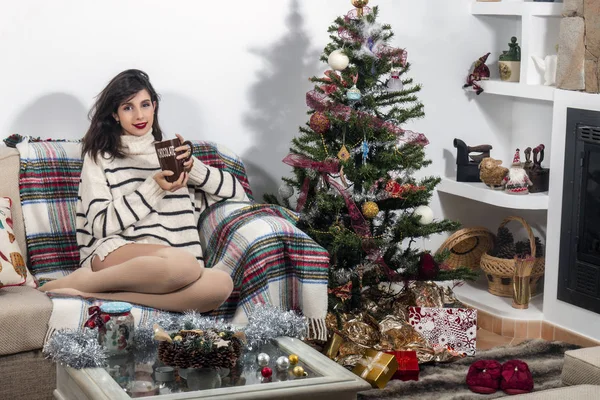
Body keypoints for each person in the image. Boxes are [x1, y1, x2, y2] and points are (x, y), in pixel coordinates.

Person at [41, 69, 249, 313]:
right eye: (128, 107)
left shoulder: (174, 153)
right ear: (115, 114)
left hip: (171, 268)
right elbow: (100, 223)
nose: (139, 115)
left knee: (219, 284)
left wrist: (194, 169)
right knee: (185, 264)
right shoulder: (100, 157)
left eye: (145, 105)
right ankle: (86, 279)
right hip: (117, 252)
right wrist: (154, 188)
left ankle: (88, 292)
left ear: (155, 106)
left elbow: (239, 195)